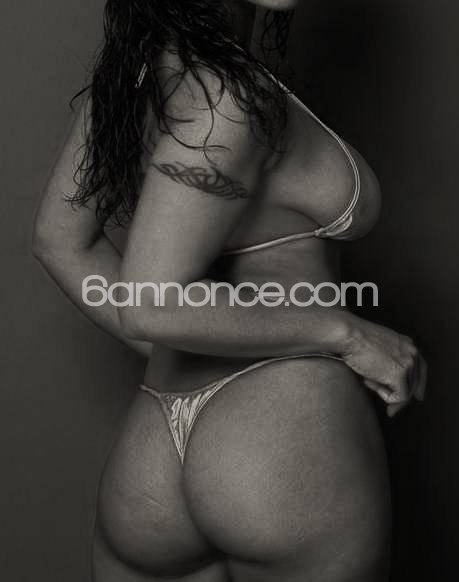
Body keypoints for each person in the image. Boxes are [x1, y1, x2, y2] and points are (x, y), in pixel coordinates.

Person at [32, 1, 427, 580]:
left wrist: (191, 347)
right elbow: (149, 304)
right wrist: (347, 334)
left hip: (151, 464)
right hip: (277, 437)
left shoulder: (137, 76)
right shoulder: (227, 99)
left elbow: (60, 242)